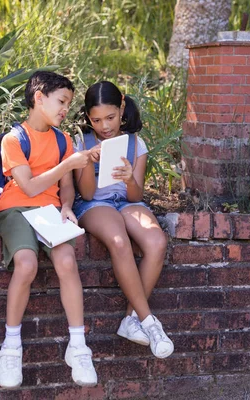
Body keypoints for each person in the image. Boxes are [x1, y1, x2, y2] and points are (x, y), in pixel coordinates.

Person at [0, 71, 97, 388]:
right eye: (61, 101)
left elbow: (65, 187)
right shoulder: (13, 139)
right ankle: (11, 347)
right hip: (15, 208)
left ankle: (78, 346)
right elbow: (27, 187)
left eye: (68, 103)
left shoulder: (62, 140)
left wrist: (67, 207)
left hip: (50, 212)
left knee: (67, 261)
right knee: (26, 264)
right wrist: (68, 164)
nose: (66, 109)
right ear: (39, 98)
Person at [73, 81, 173, 359]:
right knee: (119, 240)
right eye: (96, 120)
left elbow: (135, 195)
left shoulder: (136, 143)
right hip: (94, 204)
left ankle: (131, 319)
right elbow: (87, 193)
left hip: (128, 202)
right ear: (87, 117)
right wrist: (87, 162)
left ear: (122, 108)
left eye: (110, 117)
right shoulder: (82, 141)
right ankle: (150, 322)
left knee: (156, 241)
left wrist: (129, 178)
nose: (104, 126)